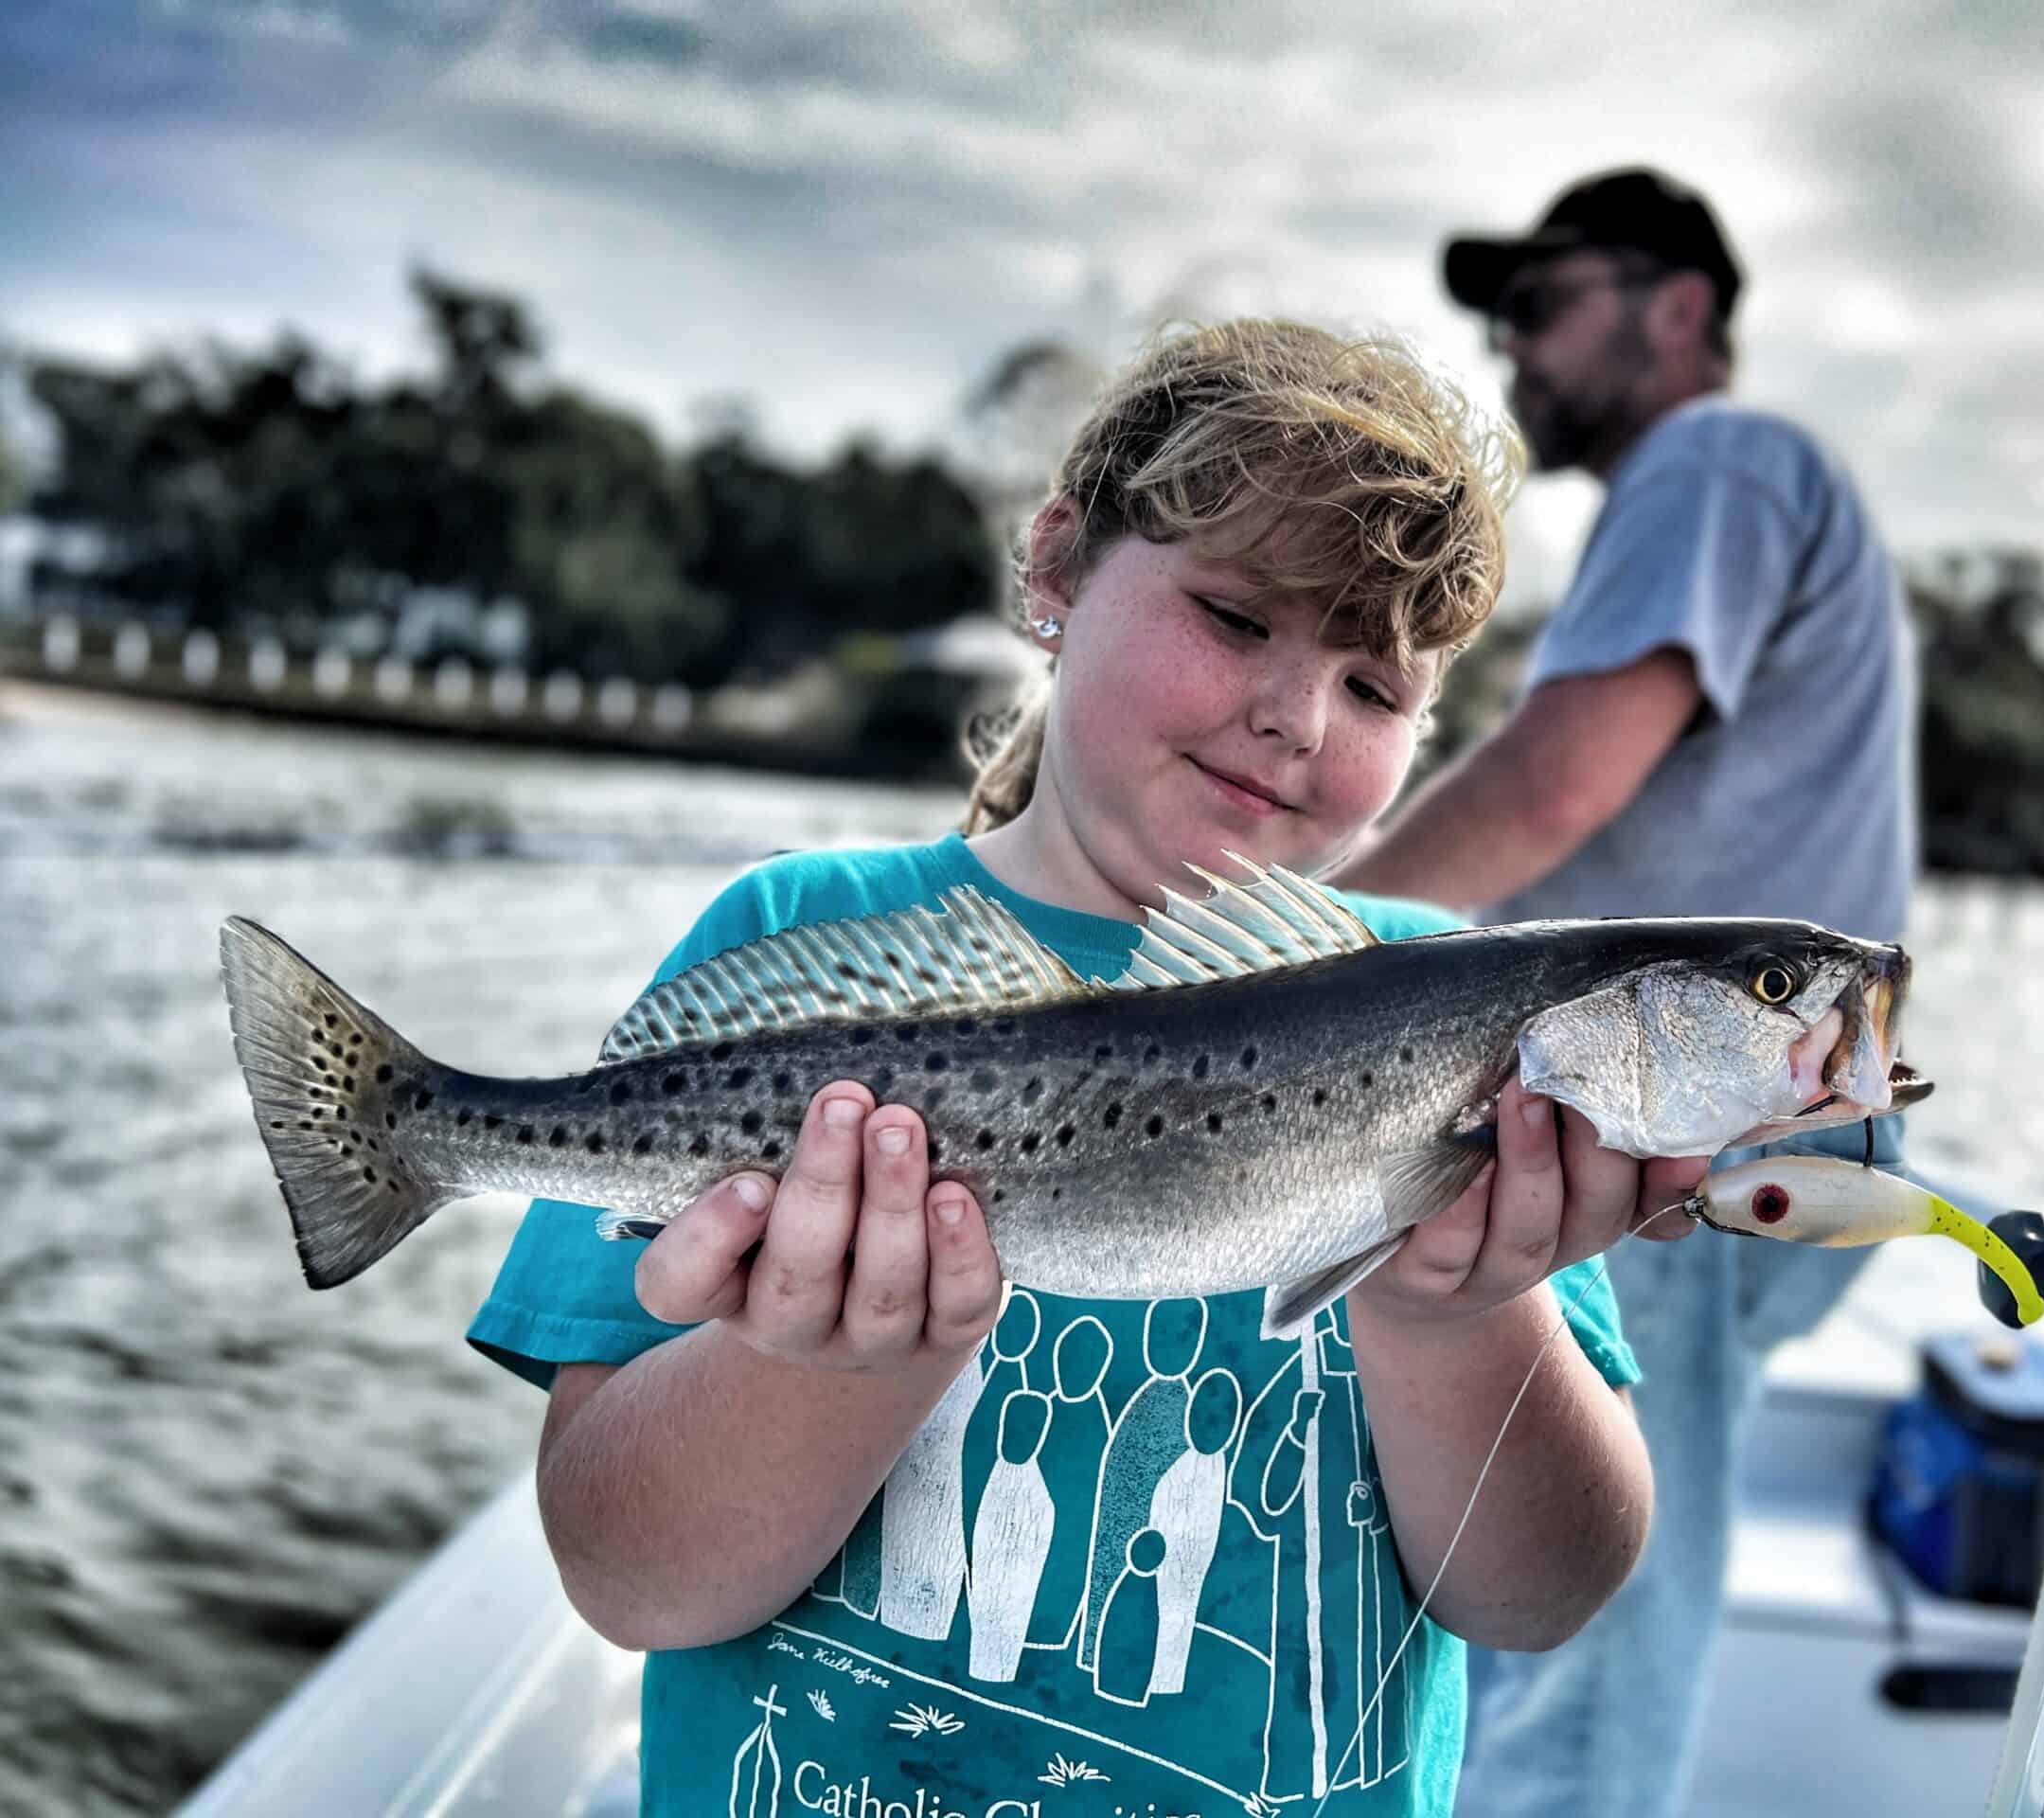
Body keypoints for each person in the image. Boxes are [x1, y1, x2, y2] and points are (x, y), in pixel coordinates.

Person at [465, 320, 1703, 1818]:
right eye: (1238, 617)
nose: (1297, 717)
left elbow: (1541, 1595)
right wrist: (827, 1365)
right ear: (1056, 571)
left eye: (1376, 690)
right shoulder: (790, 934)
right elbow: (626, 1576)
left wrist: (1456, 1318)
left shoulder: (1453, 1014)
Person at [1332, 169, 1918, 1818]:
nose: (1508, 345)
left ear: (1678, 309)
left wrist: (1304, 948)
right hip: (1731, 1120)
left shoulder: (1716, 460)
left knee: (1571, 1676)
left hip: (1669, 1122)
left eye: (1539, 302)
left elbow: (1548, 791)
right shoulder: (1754, 491)